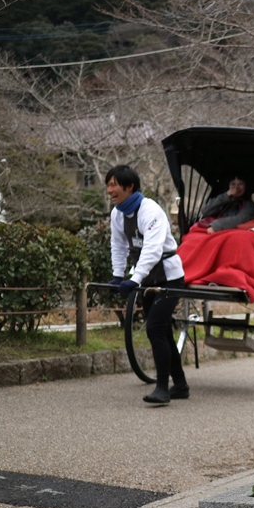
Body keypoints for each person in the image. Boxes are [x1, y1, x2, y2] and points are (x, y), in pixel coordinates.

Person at [105, 165, 188, 406]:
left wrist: (134, 278)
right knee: (162, 331)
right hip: (148, 280)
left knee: (154, 329)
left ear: (129, 186)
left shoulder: (150, 210)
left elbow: (152, 250)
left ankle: (162, 388)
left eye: (114, 185)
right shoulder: (117, 213)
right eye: (108, 185)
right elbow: (118, 246)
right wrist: (118, 275)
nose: (110, 190)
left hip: (169, 278)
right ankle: (180, 385)